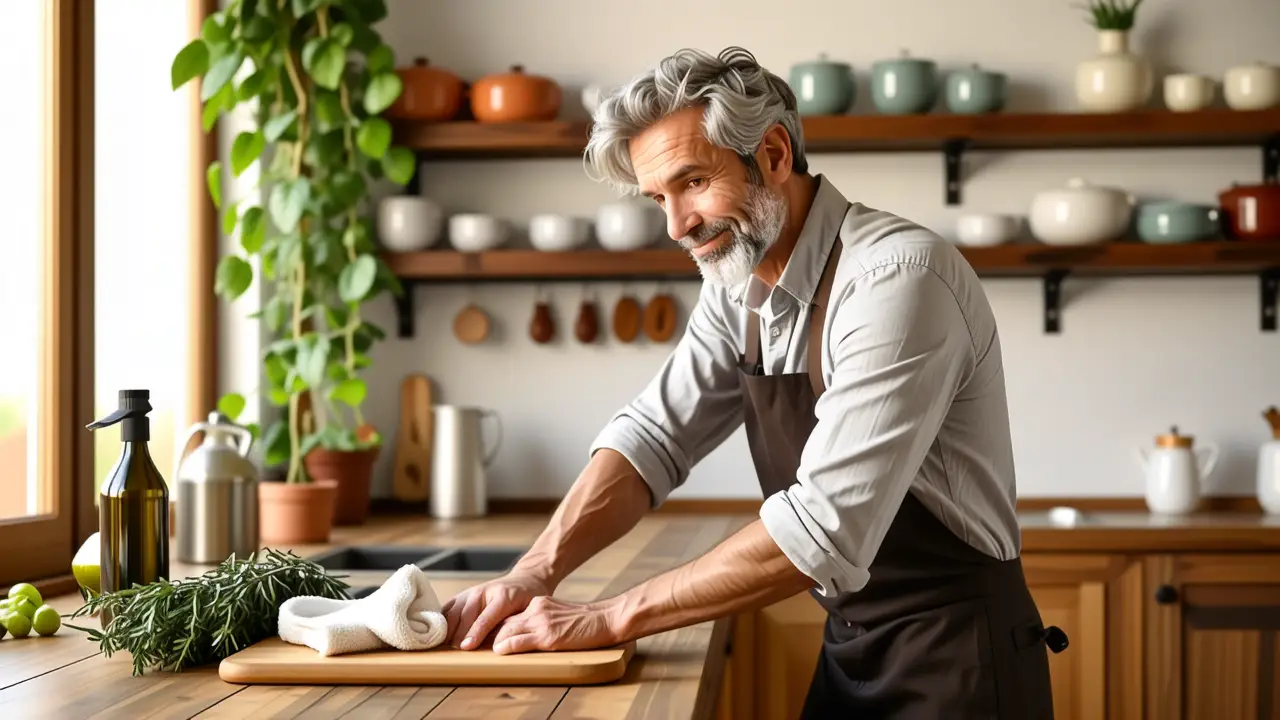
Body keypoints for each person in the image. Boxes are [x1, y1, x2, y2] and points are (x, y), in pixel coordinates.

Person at [441, 46, 1065, 718]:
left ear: (772, 154)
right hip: (851, 652)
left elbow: (822, 528)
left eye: (693, 182)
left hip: (961, 663)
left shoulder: (896, 280)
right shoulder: (737, 286)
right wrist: (534, 571)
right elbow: (654, 437)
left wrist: (611, 617)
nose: (677, 225)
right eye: (659, 198)